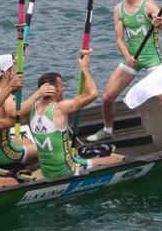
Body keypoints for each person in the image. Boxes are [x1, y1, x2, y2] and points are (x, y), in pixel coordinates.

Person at [86, 0, 162, 153]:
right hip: (132, 59)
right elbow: (119, 39)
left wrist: (161, 24)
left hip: (152, 59)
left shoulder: (148, 5)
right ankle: (107, 130)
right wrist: (126, 55)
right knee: (107, 97)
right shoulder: (119, 9)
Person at [32, 51, 126, 179]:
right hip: (66, 169)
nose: (63, 89)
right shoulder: (60, 108)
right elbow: (92, 94)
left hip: (47, 170)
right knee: (118, 159)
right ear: (52, 90)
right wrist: (85, 68)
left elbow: (83, 97)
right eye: (61, 86)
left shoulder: (33, 107)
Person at [0, 54, 43, 167]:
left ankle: (22, 165)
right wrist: (37, 95)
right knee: (42, 149)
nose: (18, 73)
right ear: (7, 73)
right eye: (15, 70)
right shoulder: (4, 96)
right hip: (4, 153)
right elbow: (16, 112)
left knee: (28, 142)